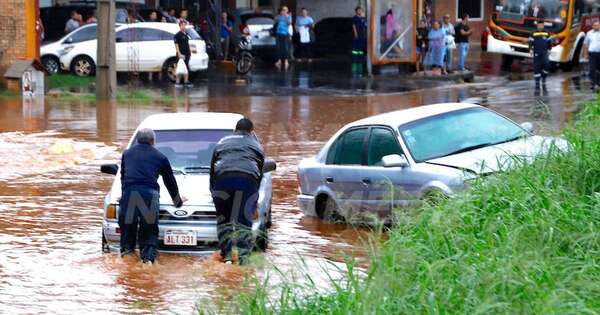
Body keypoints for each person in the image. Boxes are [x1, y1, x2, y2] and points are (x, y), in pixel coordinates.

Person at [119, 128, 184, 265]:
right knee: (149, 233)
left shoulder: (127, 154)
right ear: (153, 141)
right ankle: (148, 262)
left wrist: (123, 196)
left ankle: (126, 261)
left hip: (129, 194)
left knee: (127, 231)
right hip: (149, 196)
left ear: (137, 140)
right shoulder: (160, 157)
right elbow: (170, 182)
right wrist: (177, 201)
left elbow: (123, 177)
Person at [210, 118, 265, 265]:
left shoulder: (222, 142)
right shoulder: (256, 145)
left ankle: (227, 256)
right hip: (247, 182)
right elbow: (259, 174)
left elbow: (212, 170)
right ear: (251, 132)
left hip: (223, 181)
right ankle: (243, 260)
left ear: (235, 130)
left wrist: (213, 191)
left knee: (224, 220)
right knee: (244, 222)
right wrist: (255, 197)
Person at [529, 21, 552, 93]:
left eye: (542, 25)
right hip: (536, 53)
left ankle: (544, 77)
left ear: (543, 25)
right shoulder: (533, 33)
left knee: (547, 64)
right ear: (537, 25)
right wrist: (530, 49)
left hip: (544, 52)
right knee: (537, 67)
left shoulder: (547, 33)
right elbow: (530, 42)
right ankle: (537, 84)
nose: (541, 26)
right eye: (539, 25)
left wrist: (549, 49)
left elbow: (549, 42)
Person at [174, 21, 193, 87]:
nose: (184, 26)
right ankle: (177, 81)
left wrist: (190, 51)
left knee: (186, 67)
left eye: (185, 25)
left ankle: (186, 81)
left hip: (187, 53)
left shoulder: (186, 34)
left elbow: (187, 43)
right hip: (181, 53)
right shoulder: (177, 35)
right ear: (180, 26)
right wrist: (179, 53)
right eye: (182, 25)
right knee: (179, 67)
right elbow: (176, 44)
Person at [584, 21, 600, 90]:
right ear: (592, 26)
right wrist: (585, 53)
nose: (596, 26)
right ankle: (592, 84)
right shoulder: (589, 33)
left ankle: (598, 83)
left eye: (597, 25)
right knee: (592, 69)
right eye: (595, 25)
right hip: (592, 54)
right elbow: (586, 44)